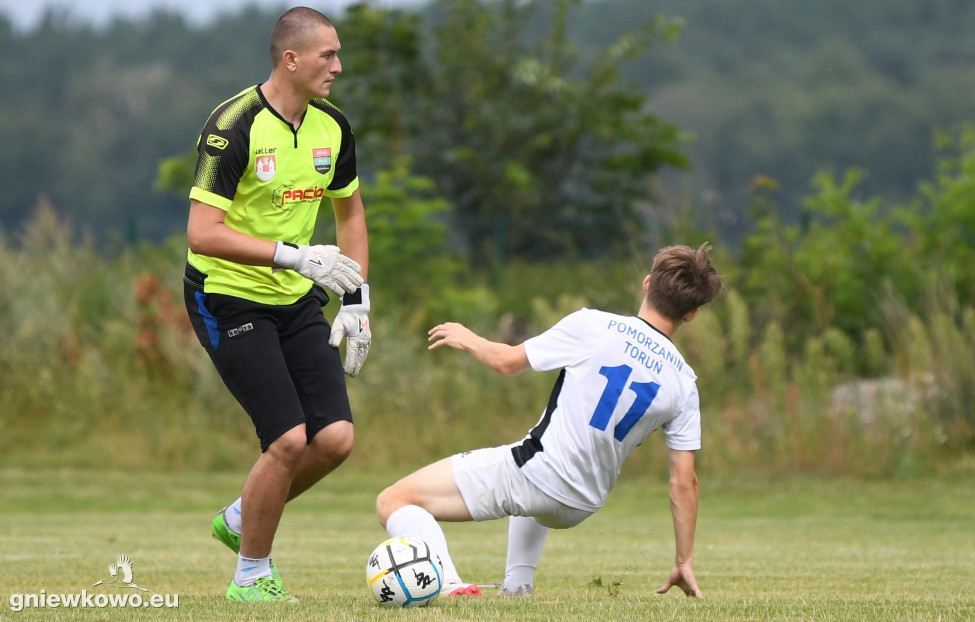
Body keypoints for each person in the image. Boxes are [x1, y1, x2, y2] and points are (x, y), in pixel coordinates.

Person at [376, 243, 721, 599]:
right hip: (582, 503)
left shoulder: (593, 324)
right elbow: (684, 483)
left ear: (647, 284)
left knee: (393, 501)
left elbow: (508, 362)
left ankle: (449, 585)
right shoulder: (684, 382)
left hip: (536, 477)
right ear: (692, 314)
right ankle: (517, 586)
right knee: (528, 461)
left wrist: (469, 338)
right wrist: (684, 561)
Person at [182, 7, 371, 603]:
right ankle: (251, 577)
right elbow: (202, 232)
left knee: (335, 439)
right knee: (288, 439)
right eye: (327, 56)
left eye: (338, 55)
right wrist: (295, 256)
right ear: (291, 60)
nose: (338, 67)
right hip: (227, 298)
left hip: (294, 299)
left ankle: (242, 516)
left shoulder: (333, 127)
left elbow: (351, 212)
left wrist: (358, 299)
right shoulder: (233, 125)